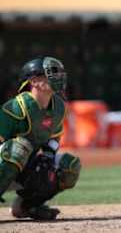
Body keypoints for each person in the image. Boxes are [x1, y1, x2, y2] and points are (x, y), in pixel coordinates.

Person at [0, 57, 81, 220]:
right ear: (34, 81)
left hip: (23, 167)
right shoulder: (15, 108)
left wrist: (47, 157)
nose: (59, 77)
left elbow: (54, 137)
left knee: (69, 166)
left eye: (59, 73)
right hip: (5, 163)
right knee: (19, 147)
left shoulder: (58, 107)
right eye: (52, 73)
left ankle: (26, 207)